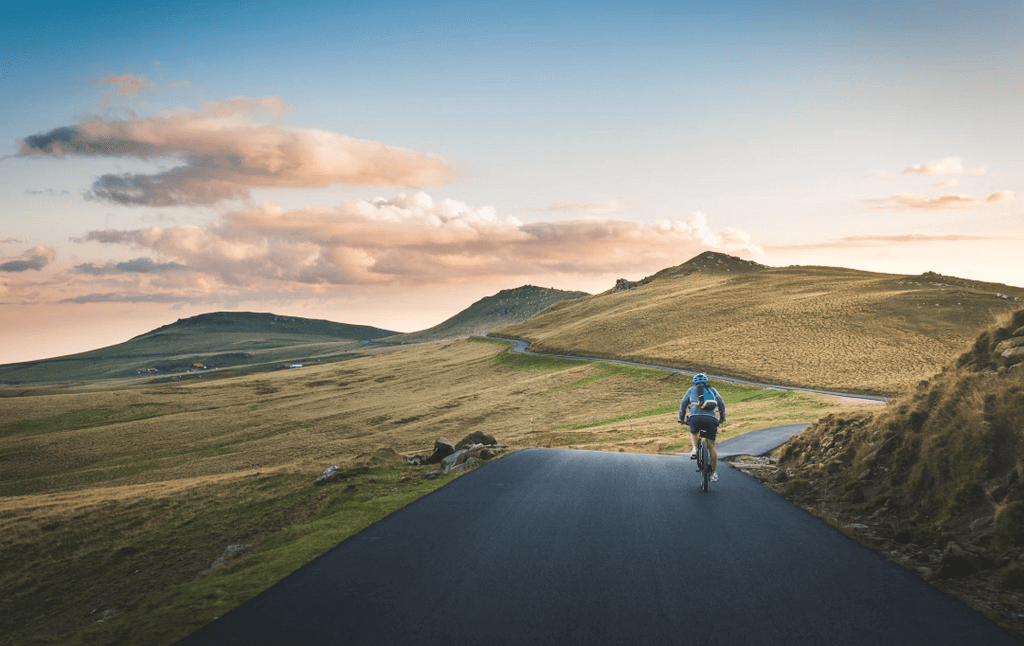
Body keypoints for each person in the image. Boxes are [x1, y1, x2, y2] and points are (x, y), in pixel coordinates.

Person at [678, 373, 726, 482]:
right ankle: (713, 473)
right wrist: (722, 418)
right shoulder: (712, 390)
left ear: (694, 382)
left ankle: (695, 449)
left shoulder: (691, 389)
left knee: (694, 432)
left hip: (695, 417)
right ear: (706, 381)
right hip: (711, 419)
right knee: (711, 446)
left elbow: (683, 404)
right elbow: (721, 404)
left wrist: (681, 418)